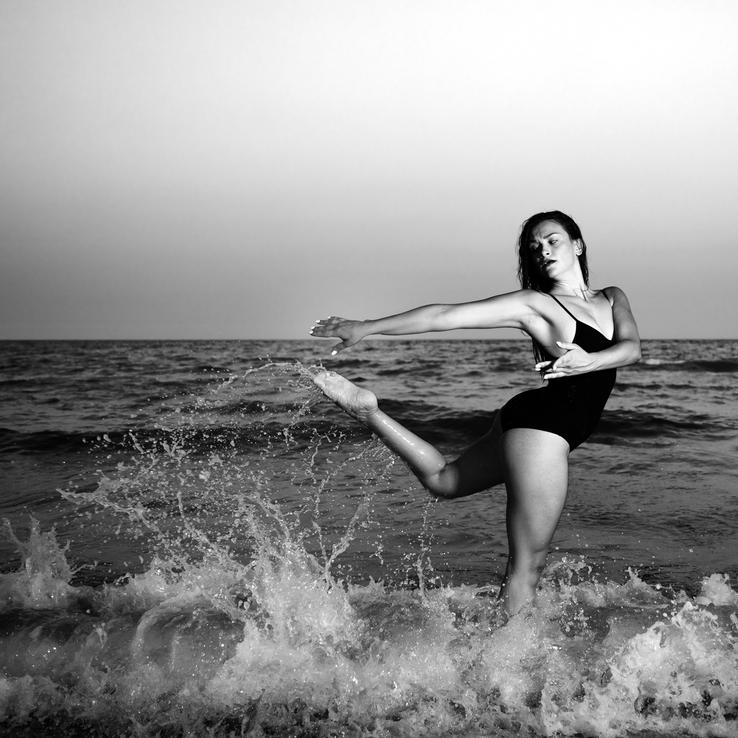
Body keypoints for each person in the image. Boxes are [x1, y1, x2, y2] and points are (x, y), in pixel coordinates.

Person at [309, 211, 641, 616]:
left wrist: (588, 361)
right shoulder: (536, 305)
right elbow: (444, 316)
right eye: (535, 247)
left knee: (444, 481)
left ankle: (369, 413)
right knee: (526, 569)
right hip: (543, 431)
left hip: (530, 422)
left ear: (578, 245)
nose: (544, 251)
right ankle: (504, 655)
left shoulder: (612, 297)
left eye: (552, 240)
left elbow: (632, 349)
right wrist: (367, 326)